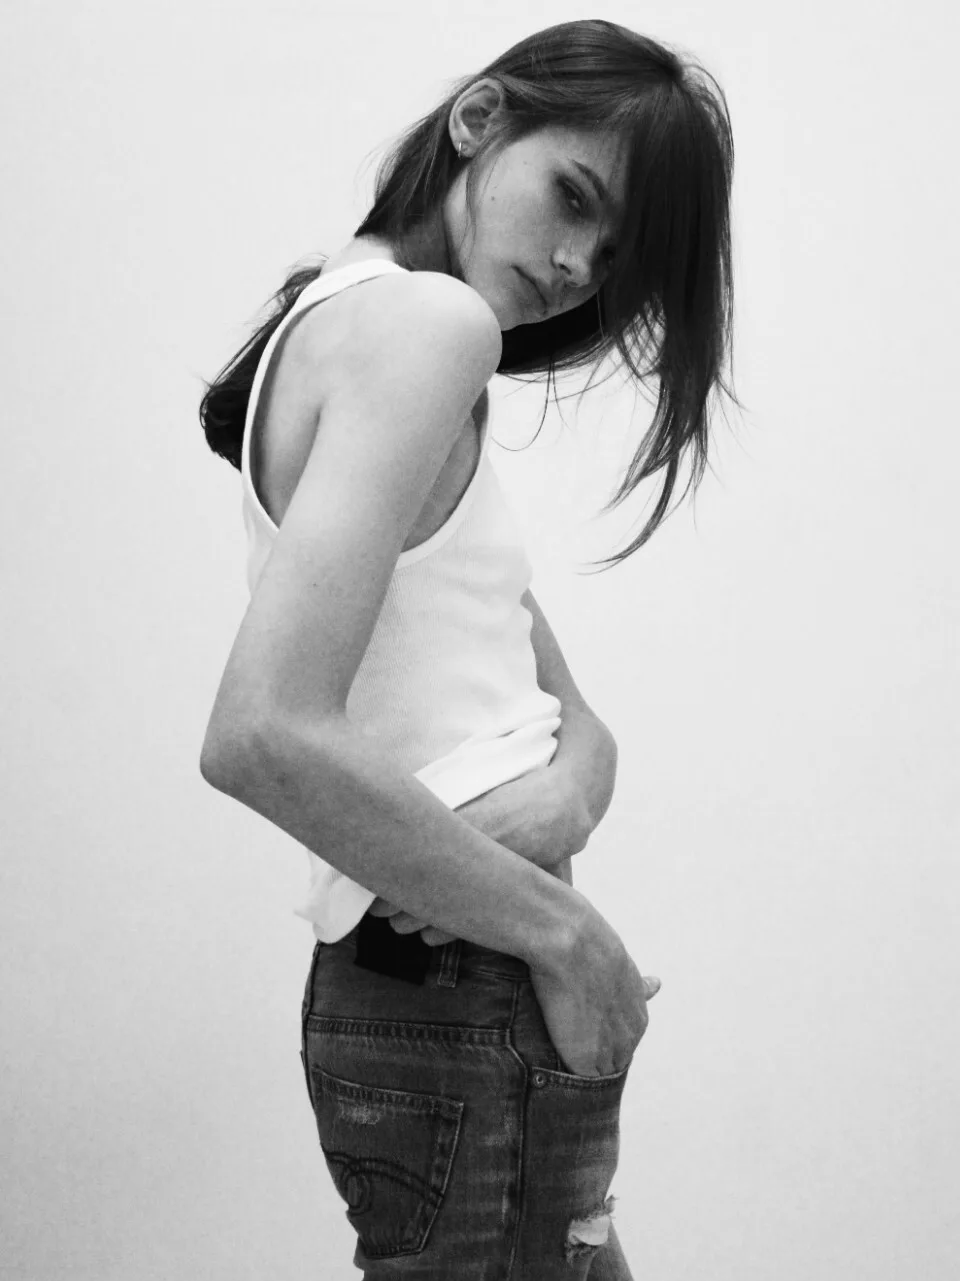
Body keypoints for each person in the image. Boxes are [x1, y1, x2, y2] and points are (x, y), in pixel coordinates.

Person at [198, 18, 737, 1279]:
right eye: (574, 197)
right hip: (464, 985)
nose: (577, 265)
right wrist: (566, 936)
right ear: (480, 120)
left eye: (616, 252)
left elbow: (569, 717)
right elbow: (260, 733)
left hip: (461, 985)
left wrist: (568, 803)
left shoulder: (361, 323)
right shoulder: (428, 327)